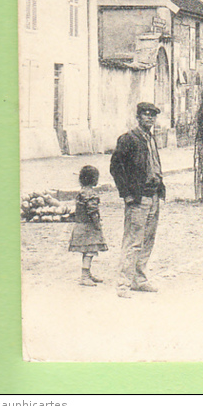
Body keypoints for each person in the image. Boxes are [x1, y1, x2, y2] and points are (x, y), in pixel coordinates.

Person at [110, 102, 166, 298]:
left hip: (154, 196)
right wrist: (126, 194)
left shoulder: (150, 138)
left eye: (152, 116)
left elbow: (155, 165)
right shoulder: (128, 139)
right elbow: (116, 168)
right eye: (145, 115)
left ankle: (139, 279)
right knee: (133, 241)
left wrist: (160, 191)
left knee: (148, 240)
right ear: (138, 117)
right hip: (138, 198)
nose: (149, 118)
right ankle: (123, 284)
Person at [68, 165, 108, 287]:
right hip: (88, 228)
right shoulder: (91, 194)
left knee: (86, 251)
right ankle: (84, 276)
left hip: (80, 226)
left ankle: (88, 273)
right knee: (90, 252)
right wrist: (97, 224)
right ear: (94, 179)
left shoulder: (81, 193)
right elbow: (92, 212)